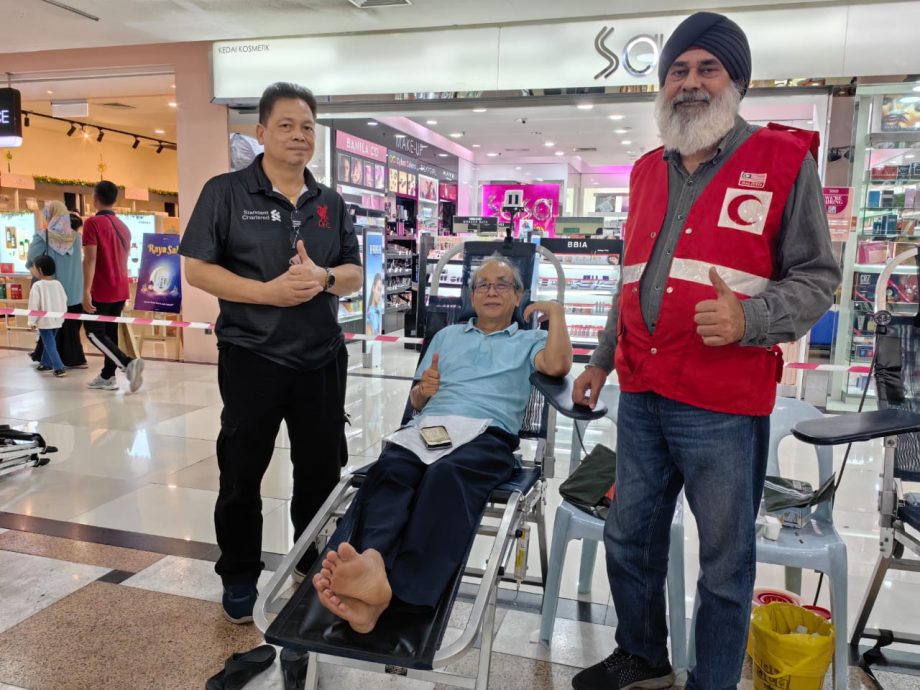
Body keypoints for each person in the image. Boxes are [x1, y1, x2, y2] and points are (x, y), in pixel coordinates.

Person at [571, 12, 842, 690]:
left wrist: (750, 317)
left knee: (725, 561)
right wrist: (601, 359)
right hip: (640, 391)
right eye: (678, 71)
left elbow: (817, 277)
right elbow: (629, 283)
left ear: (736, 82)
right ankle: (643, 655)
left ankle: (713, 680)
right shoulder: (643, 173)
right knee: (628, 536)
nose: (689, 83)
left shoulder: (783, 162)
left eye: (706, 69)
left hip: (721, 404)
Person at [179, 82, 363, 624]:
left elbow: (353, 273)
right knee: (242, 472)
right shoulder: (226, 191)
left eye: (307, 126)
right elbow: (197, 268)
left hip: (321, 358)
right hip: (252, 355)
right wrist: (267, 292)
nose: (298, 136)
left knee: (320, 471)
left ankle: (311, 560)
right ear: (261, 132)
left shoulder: (329, 201)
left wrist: (323, 277)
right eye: (286, 125)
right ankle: (239, 574)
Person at [312, 255, 572, 634]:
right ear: (471, 295)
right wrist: (422, 393)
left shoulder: (531, 341)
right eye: (482, 284)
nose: (491, 291)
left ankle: (405, 598)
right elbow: (417, 401)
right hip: (431, 429)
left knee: (446, 478)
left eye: (502, 284)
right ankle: (371, 564)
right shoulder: (447, 336)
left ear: (518, 297)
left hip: (487, 435)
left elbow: (559, 365)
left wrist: (556, 312)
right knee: (392, 468)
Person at [82, 180, 144, 393]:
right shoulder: (123, 227)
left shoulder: (92, 224)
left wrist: (86, 291)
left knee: (93, 332)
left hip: (101, 288)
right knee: (109, 330)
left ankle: (127, 364)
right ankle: (107, 376)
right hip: (120, 288)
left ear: (95, 198)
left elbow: (90, 259)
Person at [27, 204, 87, 368]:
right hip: (74, 290)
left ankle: (54, 362)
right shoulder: (76, 237)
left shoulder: (43, 237)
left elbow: (32, 258)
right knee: (69, 328)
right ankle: (71, 358)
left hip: (51, 289)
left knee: (49, 326)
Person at [27, 255, 70, 378]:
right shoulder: (58, 284)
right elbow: (64, 300)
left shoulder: (37, 286)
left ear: (40, 270)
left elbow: (34, 305)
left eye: (34, 268)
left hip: (45, 322)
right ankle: (46, 363)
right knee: (50, 343)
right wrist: (62, 316)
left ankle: (59, 367)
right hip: (57, 320)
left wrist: (31, 321)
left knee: (50, 344)